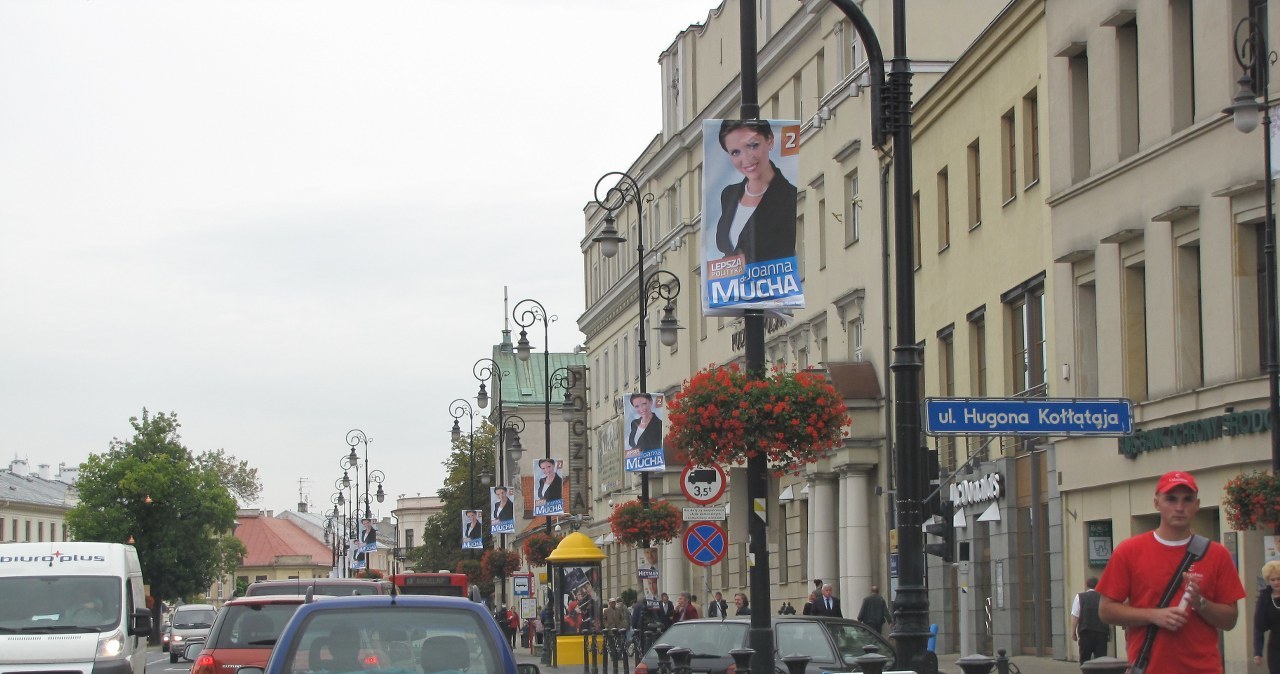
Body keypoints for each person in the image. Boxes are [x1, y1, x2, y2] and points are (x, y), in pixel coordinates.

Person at [1097, 470, 1245, 674]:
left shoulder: (1217, 554)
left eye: (1187, 500)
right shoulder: (1129, 551)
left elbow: (1230, 620)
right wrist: (1154, 615)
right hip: (1150, 668)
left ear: (1197, 505)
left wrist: (1200, 603)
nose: (1180, 507)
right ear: (1157, 503)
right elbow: (1106, 611)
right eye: (1171, 499)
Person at [712, 119, 798, 264]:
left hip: (773, 283)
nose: (746, 158)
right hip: (734, 285)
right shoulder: (729, 194)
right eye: (735, 152)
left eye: (752, 145)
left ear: (769, 140)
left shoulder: (788, 196)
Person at [1071, 577, 1107, 663]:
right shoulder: (1103, 597)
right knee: (1101, 659)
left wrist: (1073, 633)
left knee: (1085, 658)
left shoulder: (1079, 597)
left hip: (1085, 632)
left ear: (1086, 585)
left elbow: (1075, 617)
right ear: (1098, 585)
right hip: (1101, 632)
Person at [1255, 560, 1280, 672]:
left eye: (1279, 579)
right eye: (1273, 580)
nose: (1276, 582)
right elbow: (1258, 626)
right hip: (1275, 647)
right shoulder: (1265, 598)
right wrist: (1258, 652)